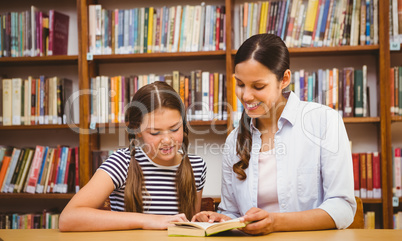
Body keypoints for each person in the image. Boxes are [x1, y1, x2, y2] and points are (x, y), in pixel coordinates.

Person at [191, 34, 356, 235]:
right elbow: (233, 213)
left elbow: (342, 207)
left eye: (258, 86)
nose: (246, 96)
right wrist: (222, 220)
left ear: (284, 79)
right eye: (241, 84)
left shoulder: (324, 121)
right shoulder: (234, 140)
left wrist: (275, 222)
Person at [59, 81, 207, 231]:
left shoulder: (197, 166)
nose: (167, 140)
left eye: (175, 129)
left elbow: (189, 226)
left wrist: (200, 219)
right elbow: (68, 218)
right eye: (155, 132)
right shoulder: (121, 163)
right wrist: (148, 221)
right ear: (137, 130)